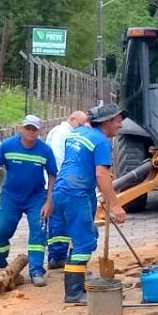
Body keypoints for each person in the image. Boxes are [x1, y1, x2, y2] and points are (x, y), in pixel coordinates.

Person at [50, 103, 128, 303]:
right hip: (77, 193)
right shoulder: (100, 141)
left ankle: (79, 276)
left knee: (82, 236)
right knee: (84, 243)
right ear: (108, 121)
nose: (120, 125)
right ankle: (74, 292)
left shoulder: (77, 134)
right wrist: (116, 205)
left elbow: (81, 164)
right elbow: (101, 173)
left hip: (62, 190)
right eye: (118, 121)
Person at [0, 114, 57, 287]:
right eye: (28, 128)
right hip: (11, 197)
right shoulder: (8, 146)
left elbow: (53, 175)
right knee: (0, 228)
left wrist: (49, 201)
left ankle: (36, 270)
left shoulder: (45, 150)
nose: (31, 132)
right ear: (21, 128)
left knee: (38, 230)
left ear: (39, 131)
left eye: (34, 129)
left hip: (36, 197)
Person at [45, 110, 89, 269]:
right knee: (58, 221)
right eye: (81, 124)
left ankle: (58, 255)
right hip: (60, 183)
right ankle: (57, 256)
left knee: (60, 220)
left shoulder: (67, 133)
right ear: (72, 119)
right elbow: (58, 159)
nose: (83, 127)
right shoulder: (62, 133)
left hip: (61, 183)